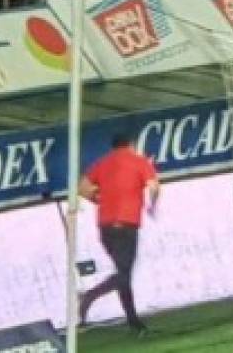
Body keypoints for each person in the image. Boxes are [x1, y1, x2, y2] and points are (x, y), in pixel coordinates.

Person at [78, 133, 161, 337]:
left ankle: (135, 324)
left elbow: (81, 188)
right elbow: (154, 187)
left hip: (105, 226)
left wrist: (99, 199)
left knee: (123, 275)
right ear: (131, 145)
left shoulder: (102, 163)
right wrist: (152, 207)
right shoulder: (139, 162)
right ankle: (88, 297)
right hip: (126, 225)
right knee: (123, 274)